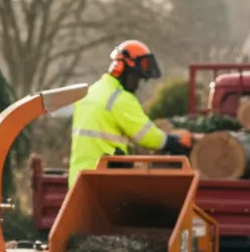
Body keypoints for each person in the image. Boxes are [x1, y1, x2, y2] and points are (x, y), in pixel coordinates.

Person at [68, 40, 192, 188]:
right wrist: (174, 142)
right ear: (123, 70)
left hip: (77, 179)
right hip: (103, 181)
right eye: (136, 77)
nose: (137, 84)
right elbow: (147, 136)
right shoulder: (119, 99)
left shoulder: (89, 93)